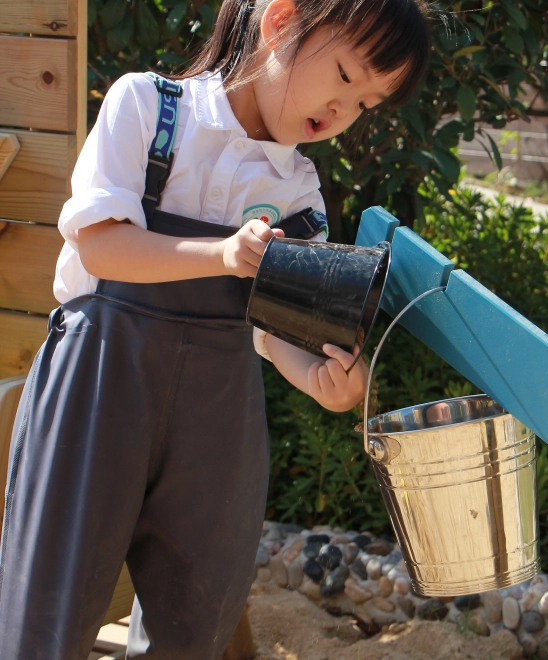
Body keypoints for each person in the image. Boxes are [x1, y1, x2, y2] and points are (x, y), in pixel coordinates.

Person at [0, 0, 430, 657]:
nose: (346, 110)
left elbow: (275, 324)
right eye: (346, 75)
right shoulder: (150, 109)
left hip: (216, 410)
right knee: (49, 599)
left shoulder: (297, 191)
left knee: (196, 606)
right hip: (101, 381)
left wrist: (321, 375)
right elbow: (101, 247)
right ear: (281, 20)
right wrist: (224, 254)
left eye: (368, 104)